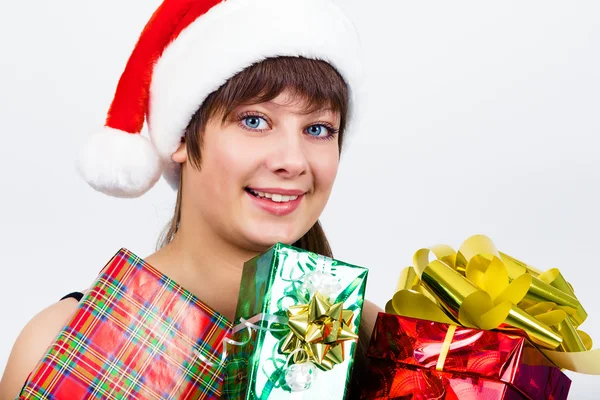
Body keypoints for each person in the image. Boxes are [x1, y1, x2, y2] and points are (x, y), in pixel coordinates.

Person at [0, 0, 381, 397]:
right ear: (181, 136)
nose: (292, 161)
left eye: (318, 129)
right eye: (254, 121)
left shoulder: (375, 340)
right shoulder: (56, 343)